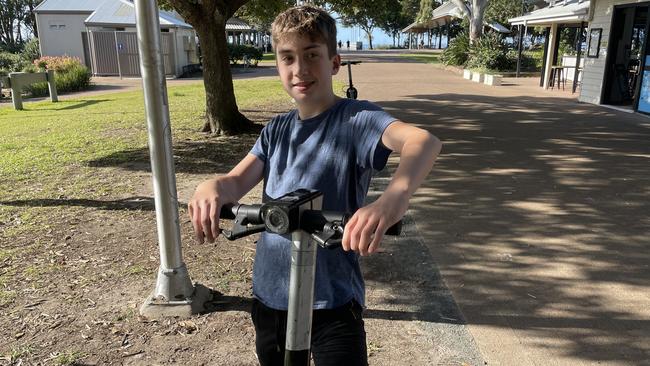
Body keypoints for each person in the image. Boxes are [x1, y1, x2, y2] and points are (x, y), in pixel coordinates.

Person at [188, 5, 441, 366]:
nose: (300, 69)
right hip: (271, 298)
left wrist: (391, 200)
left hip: (333, 302)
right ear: (277, 65)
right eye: (287, 58)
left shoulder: (356, 120)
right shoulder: (276, 130)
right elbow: (235, 180)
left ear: (334, 62)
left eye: (312, 56)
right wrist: (211, 186)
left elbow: (423, 141)